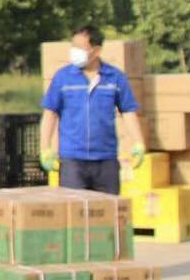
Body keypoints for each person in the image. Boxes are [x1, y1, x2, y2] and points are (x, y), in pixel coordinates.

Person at [40, 26, 146, 195]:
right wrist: (45, 148)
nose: (75, 51)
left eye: (80, 48)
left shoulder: (115, 77)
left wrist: (138, 142)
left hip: (106, 159)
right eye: (73, 46)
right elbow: (50, 113)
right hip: (73, 160)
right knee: (75, 207)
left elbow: (128, 111)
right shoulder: (63, 77)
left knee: (107, 208)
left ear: (96, 51)